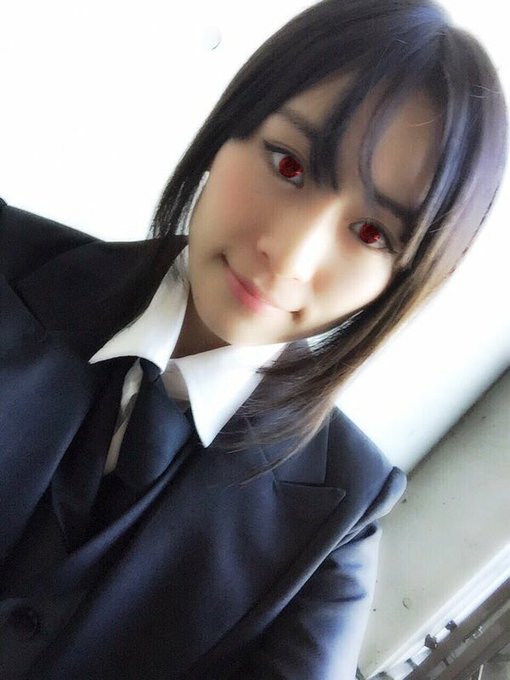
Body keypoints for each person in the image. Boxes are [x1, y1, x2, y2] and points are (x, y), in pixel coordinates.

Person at [0, 0, 507, 678]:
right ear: (230, 127)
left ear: (402, 282)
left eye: (371, 233)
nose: (289, 256)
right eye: (289, 165)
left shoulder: (335, 528)